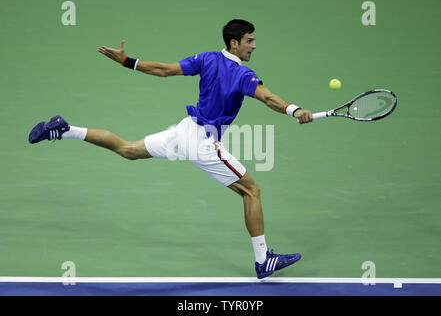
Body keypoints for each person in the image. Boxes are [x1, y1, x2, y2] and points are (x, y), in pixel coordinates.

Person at [28, 19, 313, 279]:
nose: (254, 45)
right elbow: (268, 98)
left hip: (183, 131)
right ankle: (263, 260)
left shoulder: (207, 58)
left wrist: (127, 61)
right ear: (234, 43)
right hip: (202, 142)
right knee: (252, 191)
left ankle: (65, 130)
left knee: (127, 149)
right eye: (249, 40)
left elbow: (163, 71)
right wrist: (293, 109)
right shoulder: (243, 74)